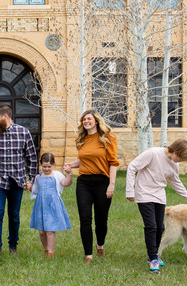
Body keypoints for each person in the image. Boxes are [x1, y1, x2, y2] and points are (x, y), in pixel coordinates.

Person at [126, 139, 187, 272]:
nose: (179, 162)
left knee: (160, 228)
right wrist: (129, 190)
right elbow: (132, 166)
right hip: (144, 194)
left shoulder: (174, 164)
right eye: (180, 158)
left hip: (159, 196)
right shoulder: (153, 153)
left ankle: (153, 255)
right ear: (176, 151)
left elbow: (176, 182)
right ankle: (153, 258)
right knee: (151, 226)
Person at [0, 103, 38, 262]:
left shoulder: (23, 133)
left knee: (14, 216)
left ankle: (13, 246)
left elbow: (32, 158)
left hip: (17, 182)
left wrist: (31, 179)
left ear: (5, 117)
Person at [63, 109, 120, 264]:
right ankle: (88, 254)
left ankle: (99, 244)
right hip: (84, 183)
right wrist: (70, 165)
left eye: (88, 119)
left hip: (102, 182)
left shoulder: (108, 138)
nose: (86, 121)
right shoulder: (82, 139)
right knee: (85, 218)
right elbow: (83, 160)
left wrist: (111, 184)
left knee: (101, 220)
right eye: (84, 120)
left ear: (96, 121)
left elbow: (113, 163)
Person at [29, 153, 73, 258]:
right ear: (41, 165)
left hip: (52, 204)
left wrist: (69, 174)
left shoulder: (57, 175)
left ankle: (51, 252)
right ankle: (46, 248)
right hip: (41, 205)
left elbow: (66, 183)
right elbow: (35, 190)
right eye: (44, 166)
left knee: (50, 229)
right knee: (41, 231)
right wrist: (29, 186)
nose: (47, 169)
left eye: (49, 166)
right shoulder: (38, 177)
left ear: (53, 165)